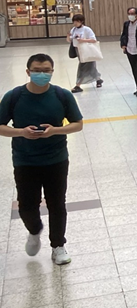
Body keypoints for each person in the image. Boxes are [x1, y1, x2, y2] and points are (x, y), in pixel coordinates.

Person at [0, 53, 84, 265]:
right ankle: (34, 229)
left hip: (56, 159)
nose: (42, 74)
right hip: (25, 160)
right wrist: (21, 132)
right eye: (37, 71)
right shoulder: (14, 96)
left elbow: (78, 124)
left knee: (57, 204)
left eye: (46, 71)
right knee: (27, 206)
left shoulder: (62, 95)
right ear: (28, 72)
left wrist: (55, 130)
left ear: (52, 72)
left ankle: (58, 246)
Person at [67, 13, 103, 93]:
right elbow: (71, 40)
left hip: (87, 51)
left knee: (82, 68)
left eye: (77, 21)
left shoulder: (87, 29)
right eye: (74, 21)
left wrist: (83, 40)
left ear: (81, 21)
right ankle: (98, 79)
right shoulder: (73, 30)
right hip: (79, 51)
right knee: (91, 67)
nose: (75, 23)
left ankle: (78, 85)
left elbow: (93, 40)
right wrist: (68, 37)